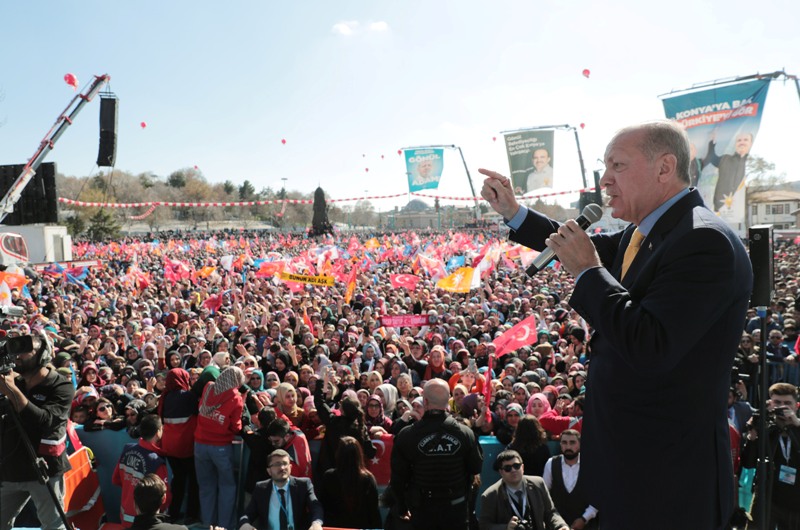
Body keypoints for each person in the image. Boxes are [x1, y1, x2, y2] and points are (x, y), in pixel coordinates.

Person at [480, 120, 753, 529]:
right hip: (633, 469)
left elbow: (652, 345)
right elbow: (570, 242)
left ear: (665, 167)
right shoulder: (644, 234)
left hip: (668, 480)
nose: (604, 179)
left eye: (617, 166)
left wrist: (589, 272)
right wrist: (513, 212)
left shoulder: (703, 241)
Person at [0, 331, 75, 530]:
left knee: (53, 526)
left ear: (43, 354)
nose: (18, 355)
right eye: (15, 349)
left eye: (25, 350)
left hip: (45, 470)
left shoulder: (62, 386)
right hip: (10, 469)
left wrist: (12, 391)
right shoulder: (13, 382)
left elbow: (45, 421)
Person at [389, 378, 483, 530]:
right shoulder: (465, 433)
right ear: (448, 401)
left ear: (425, 401)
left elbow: (398, 477)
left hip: (424, 510)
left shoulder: (407, 435)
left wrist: (401, 506)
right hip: (454, 509)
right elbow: (475, 467)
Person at [742, 383, 800, 528]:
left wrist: (797, 424)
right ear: (770, 404)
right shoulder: (767, 430)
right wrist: (753, 435)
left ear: (796, 406)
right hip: (769, 498)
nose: (782, 407)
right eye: (777, 403)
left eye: (787, 403)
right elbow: (748, 463)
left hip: (796, 501)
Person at [194, 365, 245, 530]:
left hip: (200, 444)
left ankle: (207, 524)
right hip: (221, 447)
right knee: (227, 487)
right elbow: (236, 427)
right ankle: (225, 526)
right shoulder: (236, 398)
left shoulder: (209, 387)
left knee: (206, 486)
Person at [478, 449, 568, 530]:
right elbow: (484, 525)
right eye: (507, 468)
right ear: (501, 472)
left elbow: (550, 512)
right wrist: (506, 527)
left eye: (516, 466)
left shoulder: (538, 483)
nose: (513, 470)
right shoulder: (490, 495)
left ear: (523, 467)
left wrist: (561, 526)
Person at [238, 448, 323, 530]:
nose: (282, 468)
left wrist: (316, 523)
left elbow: (316, 507)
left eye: (285, 463)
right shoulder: (261, 488)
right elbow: (247, 514)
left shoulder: (303, 485)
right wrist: (245, 523)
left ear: (290, 467)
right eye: (277, 464)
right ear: (269, 471)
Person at [112, 414, 170, 527]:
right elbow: (164, 498)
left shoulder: (127, 450)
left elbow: (116, 480)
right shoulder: (156, 462)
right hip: (148, 522)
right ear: (158, 432)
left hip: (125, 517)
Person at [319, 436, 382, 528]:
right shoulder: (368, 479)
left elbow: (323, 507)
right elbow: (374, 512)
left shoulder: (329, 476)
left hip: (335, 528)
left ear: (338, 454)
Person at [542, 430, 598, 530]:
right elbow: (545, 496)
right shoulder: (551, 464)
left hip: (587, 524)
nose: (568, 447)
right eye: (564, 442)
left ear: (580, 444)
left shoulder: (591, 465)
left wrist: (584, 519)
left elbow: (598, 497)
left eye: (572, 442)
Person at [703, 131, 752, 210]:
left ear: (751, 143)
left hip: (742, 209)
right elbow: (712, 158)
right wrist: (712, 141)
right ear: (735, 144)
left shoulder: (752, 161)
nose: (742, 142)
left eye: (745, 140)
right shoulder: (726, 159)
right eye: (739, 140)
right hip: (721, 209)